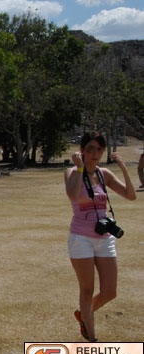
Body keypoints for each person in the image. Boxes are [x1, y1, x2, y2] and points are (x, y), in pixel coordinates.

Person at [64, 131, 135, 342]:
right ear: (82, 151)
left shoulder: (104, 174)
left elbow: (131, 196)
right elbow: (74, 195)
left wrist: (122, 167)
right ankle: (91, 338)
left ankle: (84, 315)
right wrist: (79, 168)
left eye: (98, 149)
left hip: (104, 238)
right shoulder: (71, 171)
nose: (94, 154)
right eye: (90, 149)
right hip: (81, 239)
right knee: (87, 290)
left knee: (110, 291)